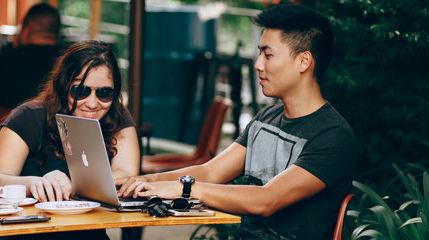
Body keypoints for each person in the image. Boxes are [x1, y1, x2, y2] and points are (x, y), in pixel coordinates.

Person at [117, 5, 357, 239]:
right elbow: (210, 172)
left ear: (304, 61)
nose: (257, 64)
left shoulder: (332, 135)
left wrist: (184, 188)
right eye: (259, 53)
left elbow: (266, 199)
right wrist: (143, 181)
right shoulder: (266, 119)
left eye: (268, 54)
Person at [0, 40, 139, 240]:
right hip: (21, 229)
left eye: (104, 93)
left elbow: (126, 175)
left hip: (81, 231)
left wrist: (74, 185)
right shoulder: (29, 116)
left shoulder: (116, 116)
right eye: (81, 91)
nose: (93, 103)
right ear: (63, 86)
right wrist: (37, 183)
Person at [0, 3, 63, 110]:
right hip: (54, 125)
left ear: (26, 31)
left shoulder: (2, 61)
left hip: (10, 125)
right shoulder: (68, 61)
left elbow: (2, 101)